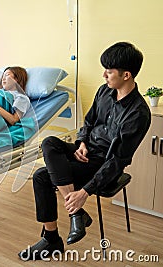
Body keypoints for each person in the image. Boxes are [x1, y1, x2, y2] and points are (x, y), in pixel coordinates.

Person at [19, 42, 151, 261]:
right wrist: (81, 142)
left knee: (41, 176)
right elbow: (89, 122)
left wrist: (84, 193)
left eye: (109, 72)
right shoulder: (104, 92)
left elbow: (117, 161)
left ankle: (52, 239)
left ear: (126, 75)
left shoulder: (137, 113)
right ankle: (76, 214)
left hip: (104, 164)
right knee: (49, 142)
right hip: (86, 151)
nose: (104, 76)